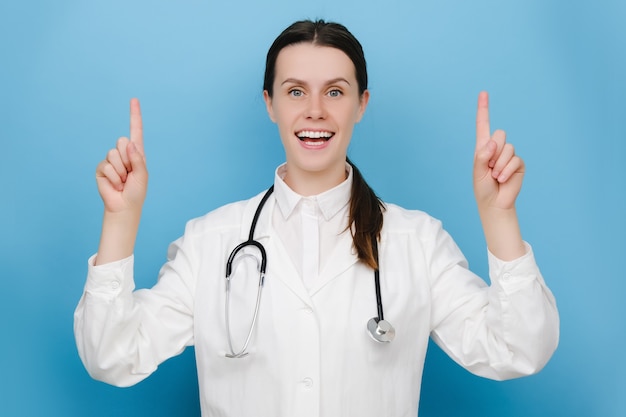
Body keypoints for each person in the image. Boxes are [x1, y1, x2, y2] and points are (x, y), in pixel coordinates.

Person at [74, 19, 559, 416]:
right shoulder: (211, 242)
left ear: (361, 105)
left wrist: (500, 217)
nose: (314, 111)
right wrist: (120, 221)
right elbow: (112, 357)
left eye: (334, 92)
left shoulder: (416, 241)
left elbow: (517, 348)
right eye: (294, 91)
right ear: (269, 104)